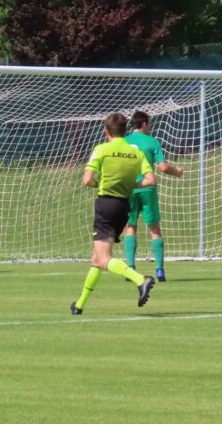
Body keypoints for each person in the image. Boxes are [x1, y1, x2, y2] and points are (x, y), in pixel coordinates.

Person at [71, 112, 157, 315]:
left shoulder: (102, 149)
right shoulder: (135, 153)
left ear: (105, 131)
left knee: (103, 259)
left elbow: (86, 180)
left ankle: (140, 280)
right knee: (97, 259)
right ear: (125, 131)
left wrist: (98, 183)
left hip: (106, 204)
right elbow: (150, 180)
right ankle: (79, 305)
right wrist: (130, 184)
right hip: (123, 206)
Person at [122, 111, 184, 282]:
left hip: (129, 188)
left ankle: (130, 268)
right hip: (147, 188)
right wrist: (177, 172)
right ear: (143, 124)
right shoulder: (152, 142)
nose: (150, 127)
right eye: (149, 124)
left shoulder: (123, 142)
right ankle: (159, 270)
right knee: (154, 230)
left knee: (130, 227)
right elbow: (163, 167)